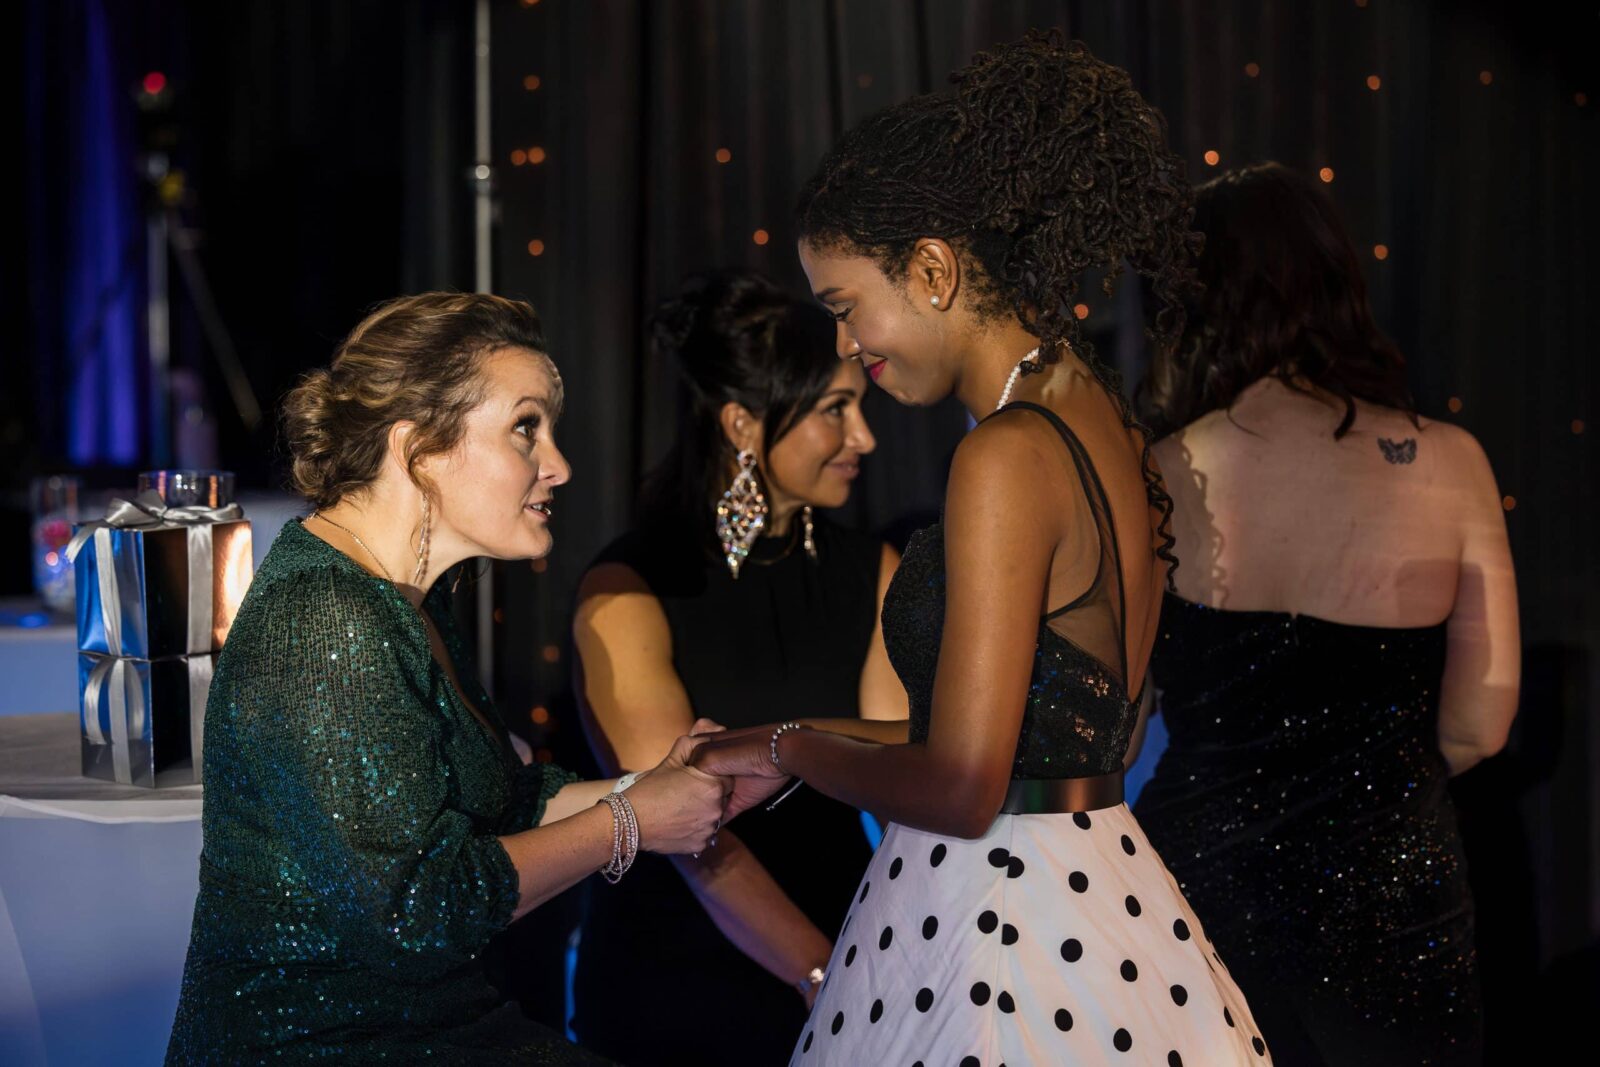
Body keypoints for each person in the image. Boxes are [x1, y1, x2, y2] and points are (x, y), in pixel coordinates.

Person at [692, 32, 1271, 1065]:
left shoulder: (1006, 451)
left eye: (845, 308)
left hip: (1002, 920)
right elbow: (1030, 732)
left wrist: (782, 753)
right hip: (1093, 893)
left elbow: (961, 784)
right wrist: (765, 736)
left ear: (933, 269)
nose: (845, 346)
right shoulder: (1089, 406)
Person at [164, 292, 767, 1065]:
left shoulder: (408, 600)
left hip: (434, 1027)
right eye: (526, 428)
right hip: (323, 1044)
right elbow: (420, 909)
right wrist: (631, 821)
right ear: (419, 449)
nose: (559, 465)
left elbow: (504, 802)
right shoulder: (327, 618)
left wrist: (659, 786)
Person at [1131, 161, 1519, 1065]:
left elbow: (1116, 720)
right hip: (1393, 899)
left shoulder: (1156, 473)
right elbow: (1481, 725)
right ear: (1336, 282)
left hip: (1202, 888)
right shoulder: (1452, 462)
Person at [568, 270, 909, 1066]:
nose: (865, 437)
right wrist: (819, 971)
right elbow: (688, 834)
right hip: (681, 983)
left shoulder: (872, 571)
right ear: (742, 424)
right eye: (835, 409)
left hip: (854, 952)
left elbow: (900, 779)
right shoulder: (629, 589)